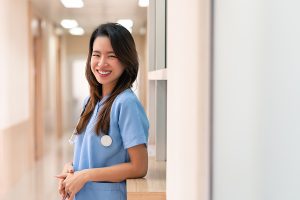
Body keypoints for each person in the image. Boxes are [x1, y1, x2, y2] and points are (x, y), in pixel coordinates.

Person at [56, 23, 149, 200]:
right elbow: (90, 154)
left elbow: (139, 167)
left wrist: (86, 175)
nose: (101, 63)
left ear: (125, 60)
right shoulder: (90, 102)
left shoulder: (126, 103)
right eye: (96, 54)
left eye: (112, 56)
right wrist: (71, 168)